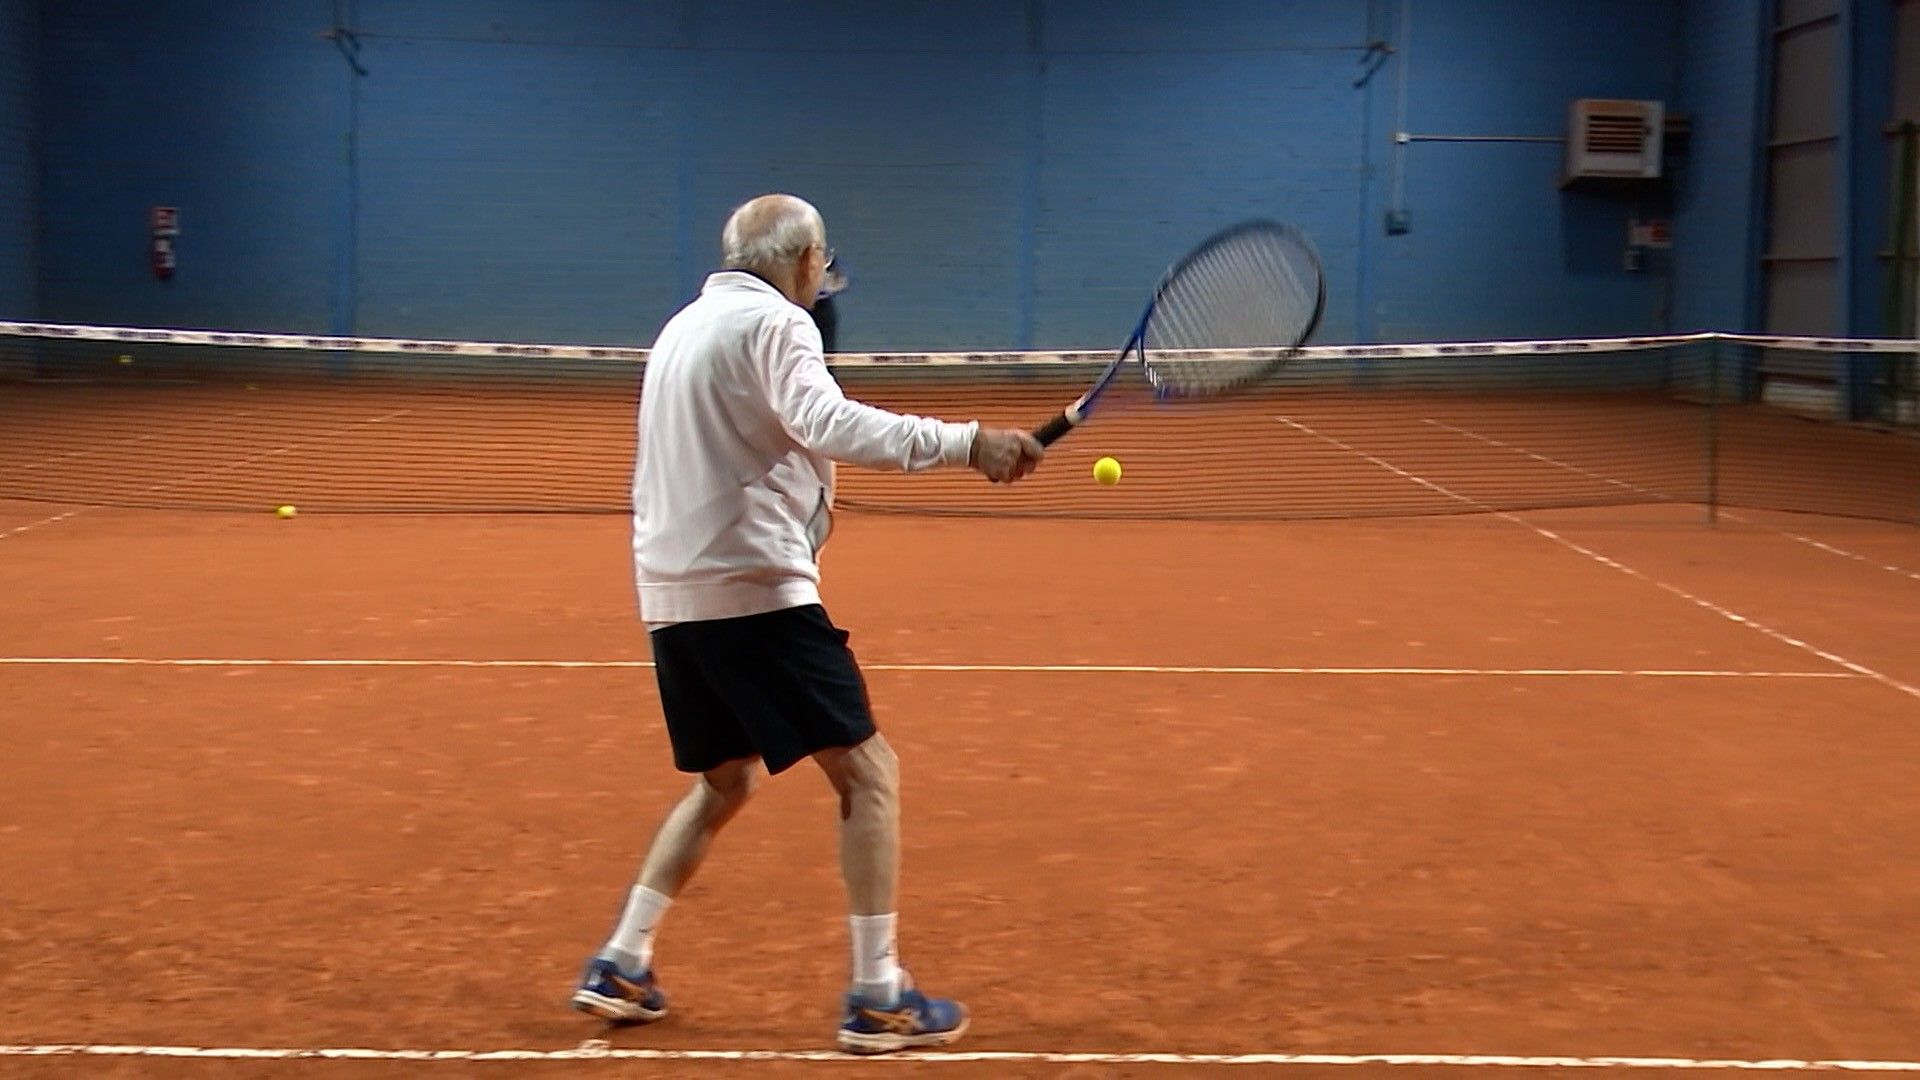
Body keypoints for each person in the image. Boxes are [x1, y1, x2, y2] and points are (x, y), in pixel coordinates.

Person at [572, 193, 1043, 1054]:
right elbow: (829, 422)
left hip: (672, 598)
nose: (822, 282)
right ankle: (878, 996)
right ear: (801, 261)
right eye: (820, 265)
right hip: (752, 591)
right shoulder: (776, 323)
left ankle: (622, 960)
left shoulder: (680, 330)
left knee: (726, 781)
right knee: (869, 774)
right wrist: (969, 442)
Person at [809, 255, 849, 351]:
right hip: (803, 305)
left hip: (824, 306)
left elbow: (841, 282)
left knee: (828, 350)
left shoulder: (830, 259)